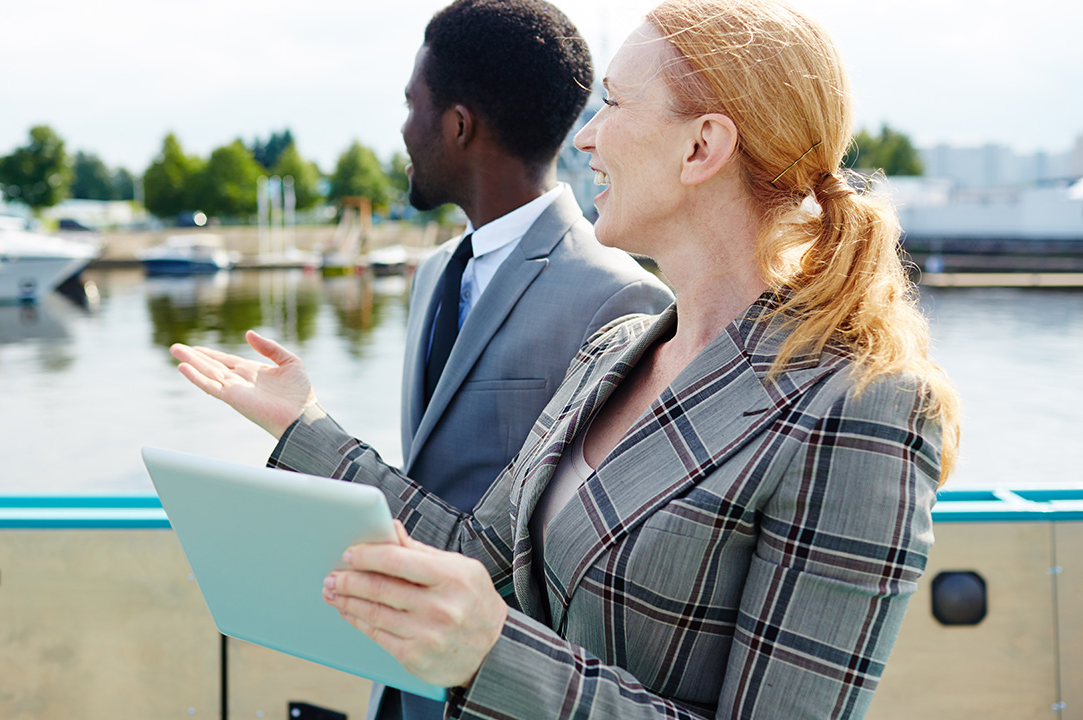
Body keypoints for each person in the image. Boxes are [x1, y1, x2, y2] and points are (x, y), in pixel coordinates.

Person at [170, 0, 961, 716]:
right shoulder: (616, 352)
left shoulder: (864, 406)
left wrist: (491, 655)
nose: (584, 137)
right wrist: (302, 426)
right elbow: (481, 555)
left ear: (702, 146)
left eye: (612, 105)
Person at [371, 1, 674, 717]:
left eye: (411, 105)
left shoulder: (622, 295)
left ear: (457, 125)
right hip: (402, 677)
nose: (403, 128)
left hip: (510, 690)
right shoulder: (434, 272)